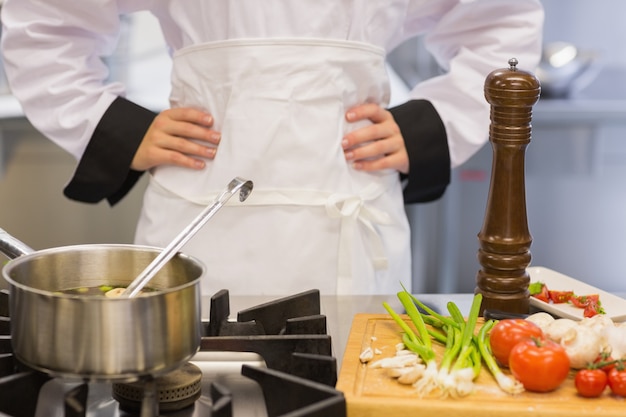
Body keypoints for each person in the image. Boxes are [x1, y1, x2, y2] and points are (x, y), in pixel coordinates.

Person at [0, 1, 543, 296]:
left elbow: (502, 21)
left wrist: (434, 123)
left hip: (348, 214)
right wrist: (114, 127)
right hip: (201, 215)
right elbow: (44, 21)